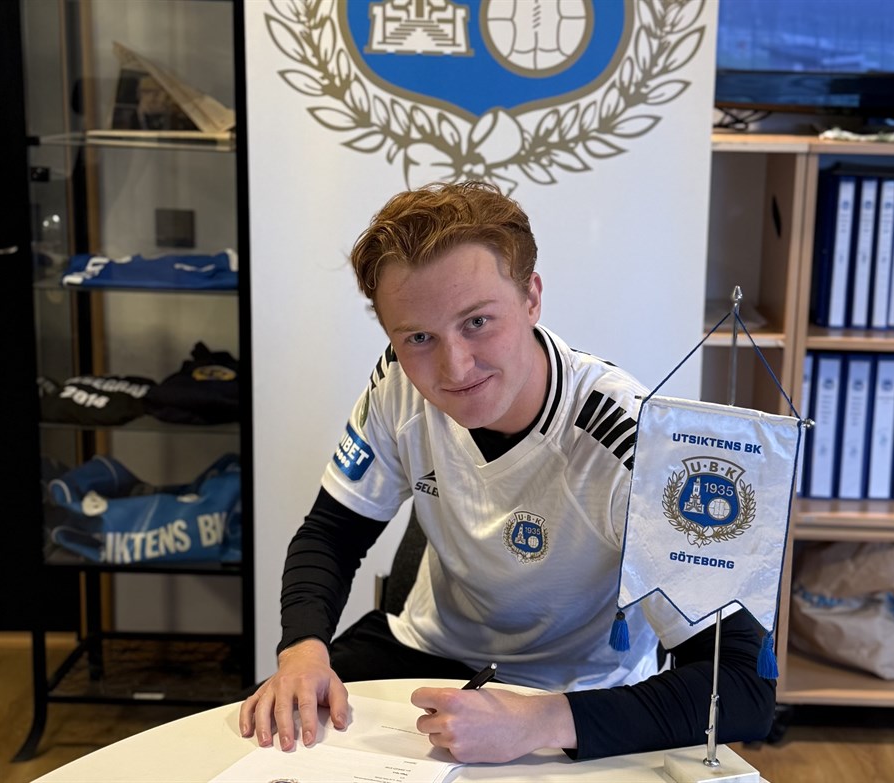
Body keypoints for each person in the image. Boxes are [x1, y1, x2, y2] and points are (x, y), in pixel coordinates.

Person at [239, 182, 775, 762]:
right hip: (427, 650)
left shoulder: (640, 443)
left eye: (477, 322)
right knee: (262, 746)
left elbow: (742, 687)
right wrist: (302, 650)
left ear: (531, 298)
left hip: (579, 690)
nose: (454, 367)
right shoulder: (397, 381)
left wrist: (538, 721)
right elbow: (332, 533)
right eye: (418, 337)